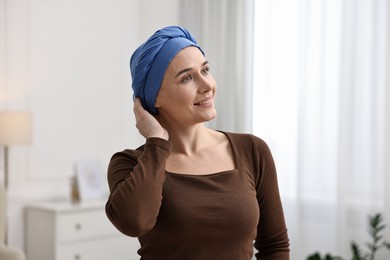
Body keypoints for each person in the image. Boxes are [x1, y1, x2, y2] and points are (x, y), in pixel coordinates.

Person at [105, 25, 290, 260]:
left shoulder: (252, 151)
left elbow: (275, 247)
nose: (206, 86)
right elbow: (134, 222)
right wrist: (156, 142)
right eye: (187, 78)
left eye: (205, 70)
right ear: (155, 97)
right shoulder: (131, 163)